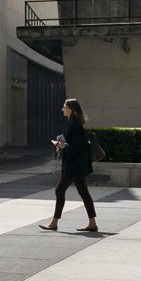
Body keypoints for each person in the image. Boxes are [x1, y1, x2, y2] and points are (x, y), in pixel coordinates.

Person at [39, 99, 98, 232]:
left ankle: (54, 223)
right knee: (84, 193)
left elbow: (77, 147)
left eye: (64, 107)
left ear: (70, 109)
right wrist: (63, 145)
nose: (62, 109)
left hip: (74, 165)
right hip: (77, 165)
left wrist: (62, 145)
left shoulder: (75, 125)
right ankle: (92, 223)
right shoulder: (73, 123)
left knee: (59, 191)